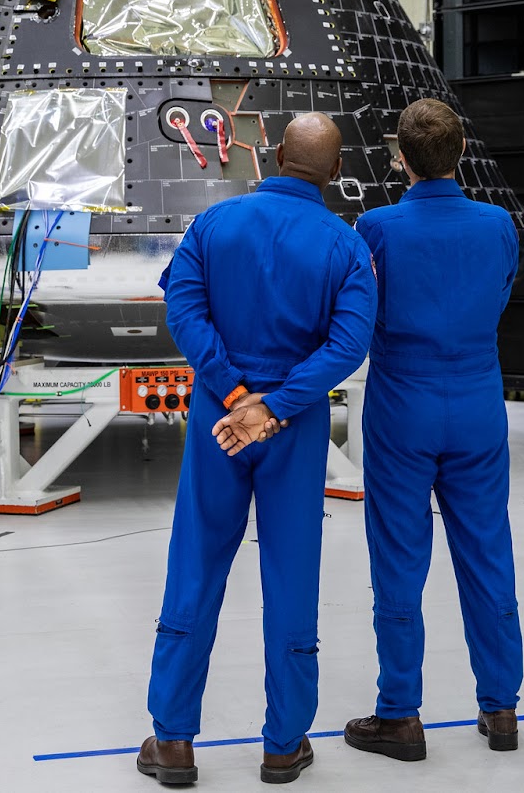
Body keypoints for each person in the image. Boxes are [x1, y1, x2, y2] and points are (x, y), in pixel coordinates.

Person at [139, 111, 377, 787]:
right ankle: (284, 742)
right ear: (335, 171)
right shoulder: (345, 245)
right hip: (293, 426)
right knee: (292, 575)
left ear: (273, 156)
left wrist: (236, 392)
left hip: (219, 419)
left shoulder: (214, 224)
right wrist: (274, 405)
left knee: (196, 566)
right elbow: (349, 345)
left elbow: (184, 312)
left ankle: (174, 741)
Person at [338, 98, 523, 762]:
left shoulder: (376, 226)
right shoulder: (499, 224)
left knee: (398, 558)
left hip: (402, 405)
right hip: (476, 400)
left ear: (399, 159)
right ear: (463, 151)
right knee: (487, 553)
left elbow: (361, 307)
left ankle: (399, 715)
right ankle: (500, 709)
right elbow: (501, 293)